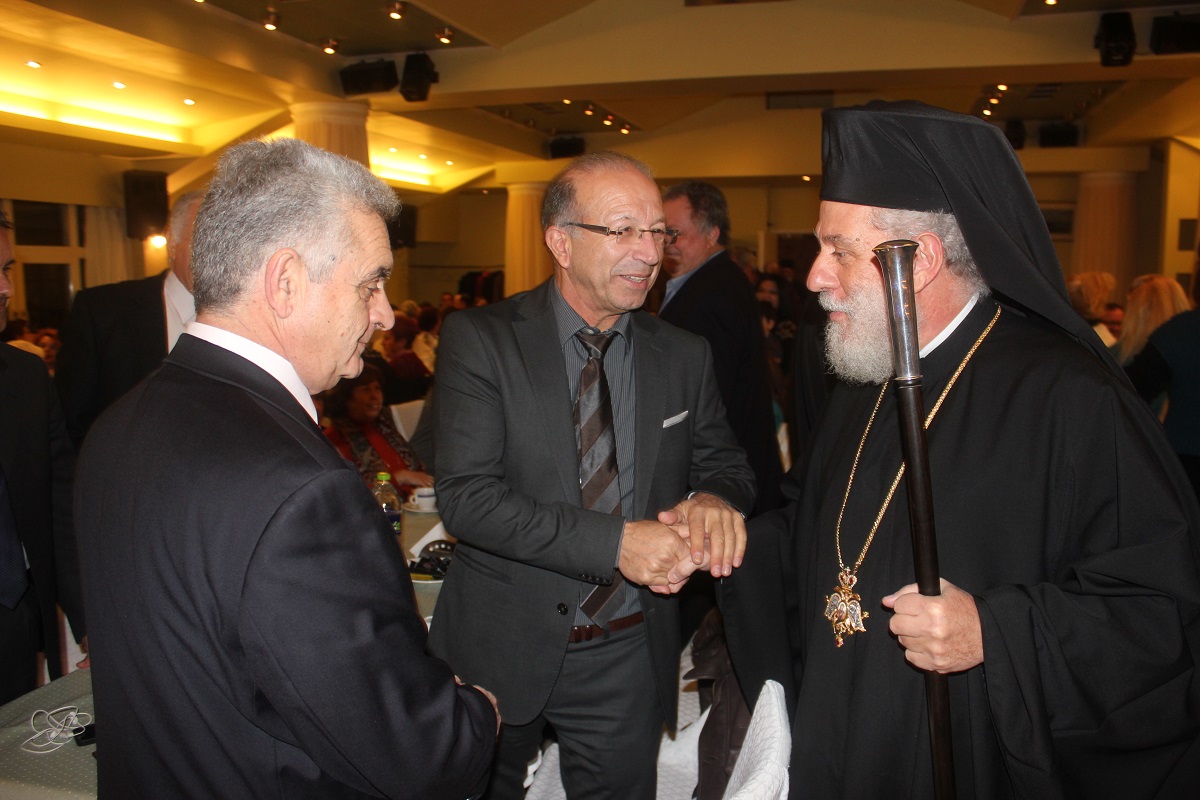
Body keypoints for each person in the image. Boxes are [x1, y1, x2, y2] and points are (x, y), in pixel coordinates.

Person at [719, 101, 1200, 798]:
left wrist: (994, 633)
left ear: (919, 261)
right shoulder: (869, 370)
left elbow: (1160, 614)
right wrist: (725, 540)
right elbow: (816, 520)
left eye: (838, 250)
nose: (816, 276)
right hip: (843, 719)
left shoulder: (1071, 398)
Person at [75, 138, 498, 799]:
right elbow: (406, 749)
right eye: (371, 283)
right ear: (285, 282)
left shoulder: (117, 424)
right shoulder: (301, 489)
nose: (385, 314)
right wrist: (475, 717)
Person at [428, 151, 756, 800]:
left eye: (657, 232)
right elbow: (467, 499)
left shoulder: (681, 353)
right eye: (622, 230)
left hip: (624, 650)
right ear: (561, 242)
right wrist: (617, 544)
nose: (649, 252)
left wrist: (715, 498)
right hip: (498, 642)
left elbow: (726, 463)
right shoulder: (483, 339)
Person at [0, 211, 85, 705]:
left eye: (7, 269)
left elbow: (61, 510)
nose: (7, 288)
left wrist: (89, 622)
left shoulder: (27, 379)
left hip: (15, 622)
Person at [659, 180, 783, 515]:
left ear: (712, 234)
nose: (668, 244)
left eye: (676, 233)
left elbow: (705, 403)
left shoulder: (711, 296)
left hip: (722, 481)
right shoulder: (716, 281)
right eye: (663, 233)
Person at [55, 191, 203, 448]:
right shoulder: (103, 312)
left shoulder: (256, 318)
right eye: (203, 240)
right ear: (172, 243)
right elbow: (70, 424)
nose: (216, 255)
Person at [324, 363, 433, 494]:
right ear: (346, 398)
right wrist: (399, 478)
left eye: (377, 389)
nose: (375, 396)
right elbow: (347, 492)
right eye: (365, 390)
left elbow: (417, 470)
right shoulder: (335, 439)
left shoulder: (383, 426)